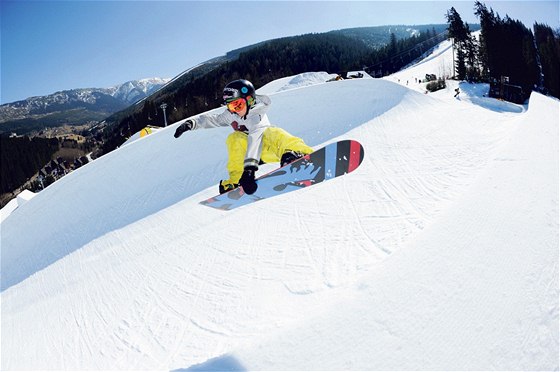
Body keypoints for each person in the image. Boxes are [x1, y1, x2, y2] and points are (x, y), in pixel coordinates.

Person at [174, 79, 313, 195]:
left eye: (238, 105)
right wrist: (191, 124)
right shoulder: (233, 114)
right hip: (249, 158)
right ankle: (235, 180)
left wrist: (250, 170)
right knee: (235, 138)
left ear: (250, 100)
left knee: (273, 132)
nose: (235, 110)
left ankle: (298, 154)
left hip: (267, 150)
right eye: (231, 106)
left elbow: (255, 138)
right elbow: (214, 119)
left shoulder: (257, 114)